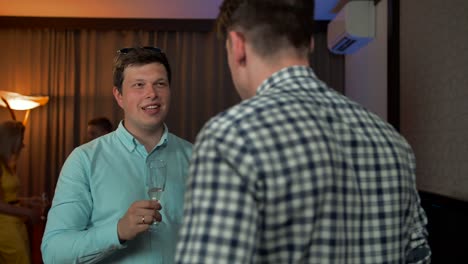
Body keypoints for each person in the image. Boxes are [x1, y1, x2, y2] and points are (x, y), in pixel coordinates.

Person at [175, 0, 431, 263]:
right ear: (309, 43)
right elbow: (418, 256)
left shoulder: (231, 136)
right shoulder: (391, 140)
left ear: (237, 45)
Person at [41, 47, 192, 263]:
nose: (152, 93)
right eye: (139, 85)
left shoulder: (198, 159)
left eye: (160, 83)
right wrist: (118, 231)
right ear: (119, 96)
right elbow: (53, 253)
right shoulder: (84, 160)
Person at [0, 121, 42, 264]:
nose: (23, 145)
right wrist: (28, 212)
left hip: (15, 222)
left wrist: (28, 200)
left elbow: (7, 197)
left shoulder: (7, 164)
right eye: (21, 140)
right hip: (4, 226)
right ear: (11, 141)